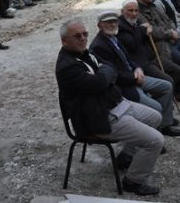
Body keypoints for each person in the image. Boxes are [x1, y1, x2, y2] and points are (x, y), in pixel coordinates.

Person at [56, 19, 163, 196]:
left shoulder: (85, 53)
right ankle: (133, 181)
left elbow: (110, 67)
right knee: (156, 140)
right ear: (64, 41)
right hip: (98, 118)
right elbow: (101, 80)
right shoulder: (67, 66)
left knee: (155, 117)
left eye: (84, 34)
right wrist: (104, 74)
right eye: (77, 36)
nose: (83, 38)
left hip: (115, 105)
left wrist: (104, 74)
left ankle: (126, 156)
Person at [90, 10, 180, 137]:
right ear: (99, 25)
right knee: (155, 106)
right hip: (125, 85)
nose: (112, 25)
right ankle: (154, 136)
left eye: (114, 21)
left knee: (166, 86)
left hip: (135, 75)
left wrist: (137, 68)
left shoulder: (113, 38)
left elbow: (128, 59)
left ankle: (165, 124)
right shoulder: (98, 46)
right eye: (108, 22)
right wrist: (134, 79)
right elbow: (113, 74)